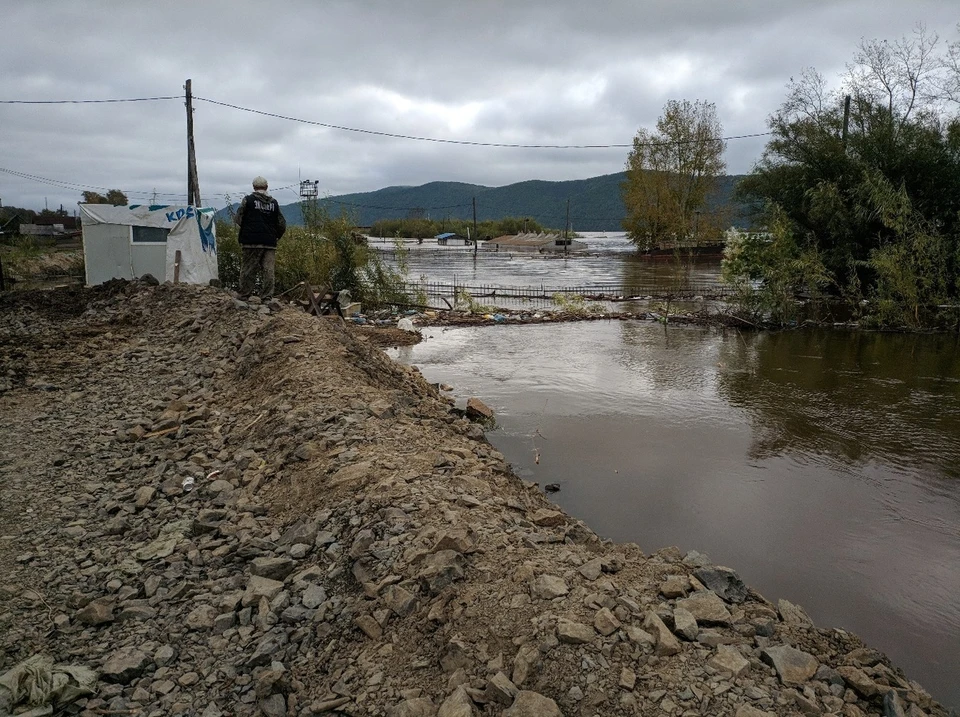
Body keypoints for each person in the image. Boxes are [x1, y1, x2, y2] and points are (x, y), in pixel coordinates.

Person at [235, 176, 286, 298]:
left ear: (254, 187)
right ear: (267, 187)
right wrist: (276, 236)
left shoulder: (248, 200)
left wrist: (247, 228)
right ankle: (267, 296)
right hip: (269, 242)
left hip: (251, 241)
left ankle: (245, 295)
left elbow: (238, 218)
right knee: (268, 271)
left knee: (248, 269)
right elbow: (281, 224)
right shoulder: (274, 203)